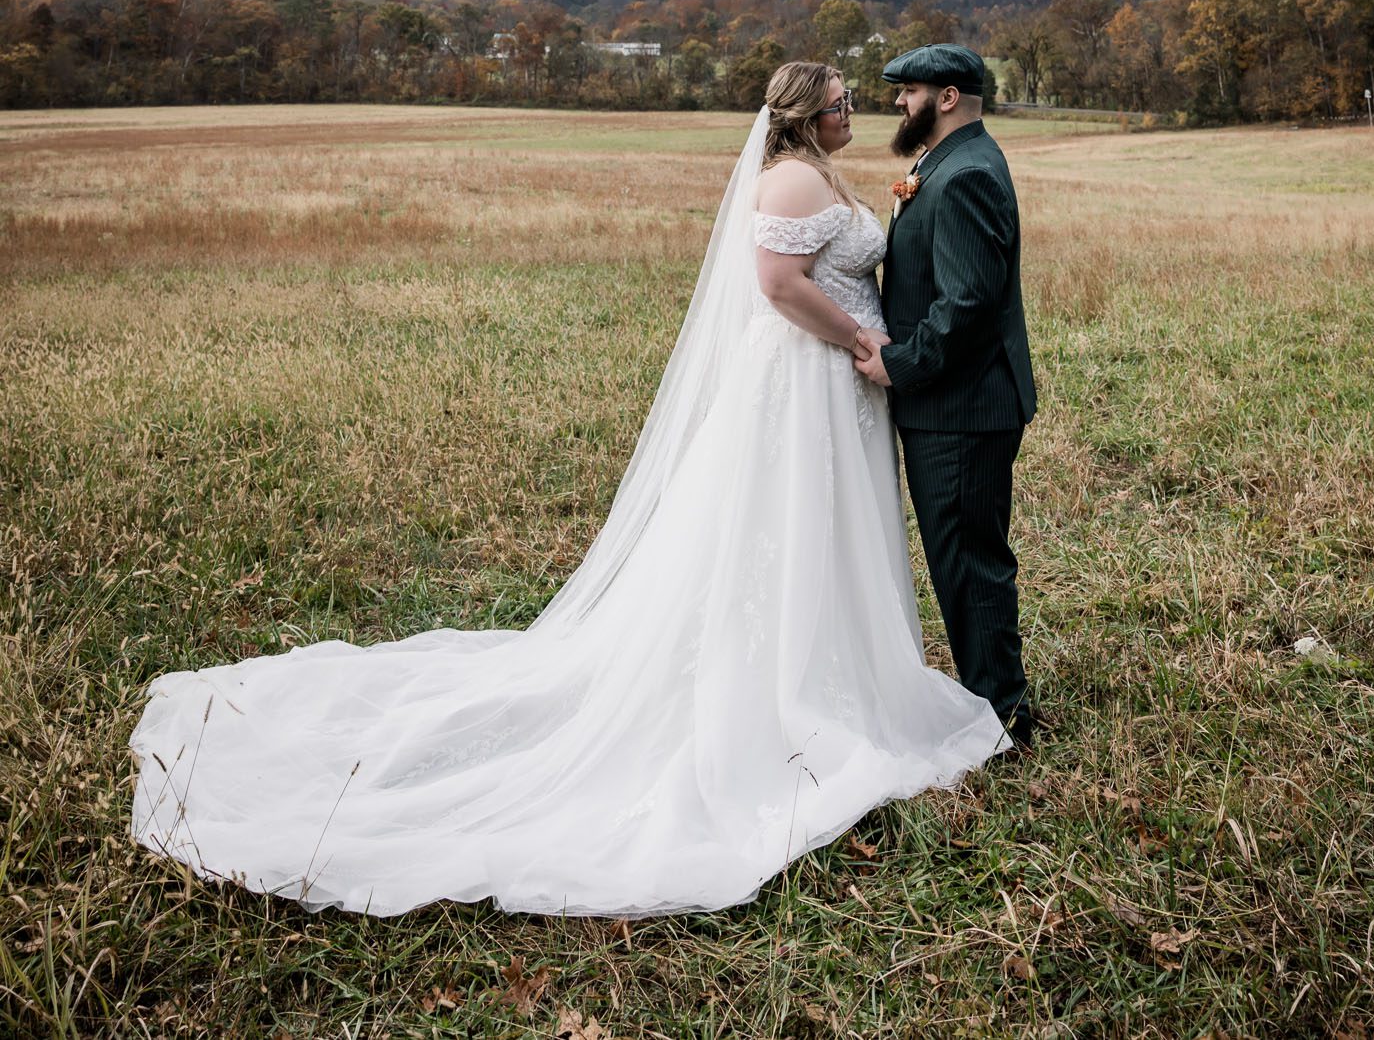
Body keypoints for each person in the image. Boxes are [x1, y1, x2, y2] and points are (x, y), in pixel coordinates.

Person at [129, 60, 1009, 918]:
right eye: (841, 103)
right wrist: (861, 342)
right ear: (802, 117)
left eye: (856, 100)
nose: (856, 111)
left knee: (829, 531)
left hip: (833, 389)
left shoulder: (820, 174)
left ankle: (833, 658)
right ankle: (782, 686)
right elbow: (777, 287)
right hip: (803, 379)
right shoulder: (787, 182)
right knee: (784, 521)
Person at [851, 43, 1037, 746]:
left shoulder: (964, 177)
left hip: (962, 408)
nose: (899, 102)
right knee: (959, 557)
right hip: (953, 405)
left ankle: (1002, 716)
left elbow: (967, 303)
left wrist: (901, 364)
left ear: (948, 96)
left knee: (968, 562)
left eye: (909, 91)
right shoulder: (944, 164)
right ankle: (990, 699)